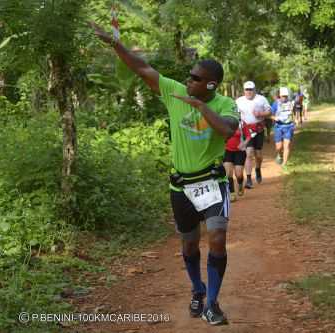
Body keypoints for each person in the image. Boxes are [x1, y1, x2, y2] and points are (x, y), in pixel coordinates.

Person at [92, 23, 239, 326]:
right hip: (181, 186)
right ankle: (197, 291)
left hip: (212, 183)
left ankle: (212, 303)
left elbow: (226, 130)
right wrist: (115, 43)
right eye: (189, 75)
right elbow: (142, 68)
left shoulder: (226, 104)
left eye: (196, 78)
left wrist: (200, 106)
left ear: (211, 85)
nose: (188, 80)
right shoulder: (174, 92)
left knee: (218, 237)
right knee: (188, 244)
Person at [236, 81, 272, 188]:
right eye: (247, 89)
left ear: (254, 90)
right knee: (249, 153)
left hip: (258, 129)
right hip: (246, 130)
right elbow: (234, 113)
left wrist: (261, 114)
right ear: (244, 90)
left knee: (258, 155)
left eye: (251, 89)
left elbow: (270, 112)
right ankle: (248, 179)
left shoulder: (261, 99)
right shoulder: (239, 101)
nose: (249, 92)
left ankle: (258, 168)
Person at [223, 120, 251, 201]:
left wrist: (244, 143)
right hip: (227, 151)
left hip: (240, 151)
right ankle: (231, 193)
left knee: (238, 174)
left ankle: (240, 183)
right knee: (228, 173)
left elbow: (249, 136)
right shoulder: (223, 121)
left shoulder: (241, 123)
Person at [272, 87, 295, 167]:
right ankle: (279, 154)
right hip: (278, 126)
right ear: (279, 96)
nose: (284, 98)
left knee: (287, 145)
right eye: (283, 96)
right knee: (279, 147)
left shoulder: (291, 103)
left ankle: (284, 164)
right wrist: (275, 118)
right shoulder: (276, 104)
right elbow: (270, 114)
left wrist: (296, 119)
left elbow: (293, 112)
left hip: (289, 126)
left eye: (286, 96)